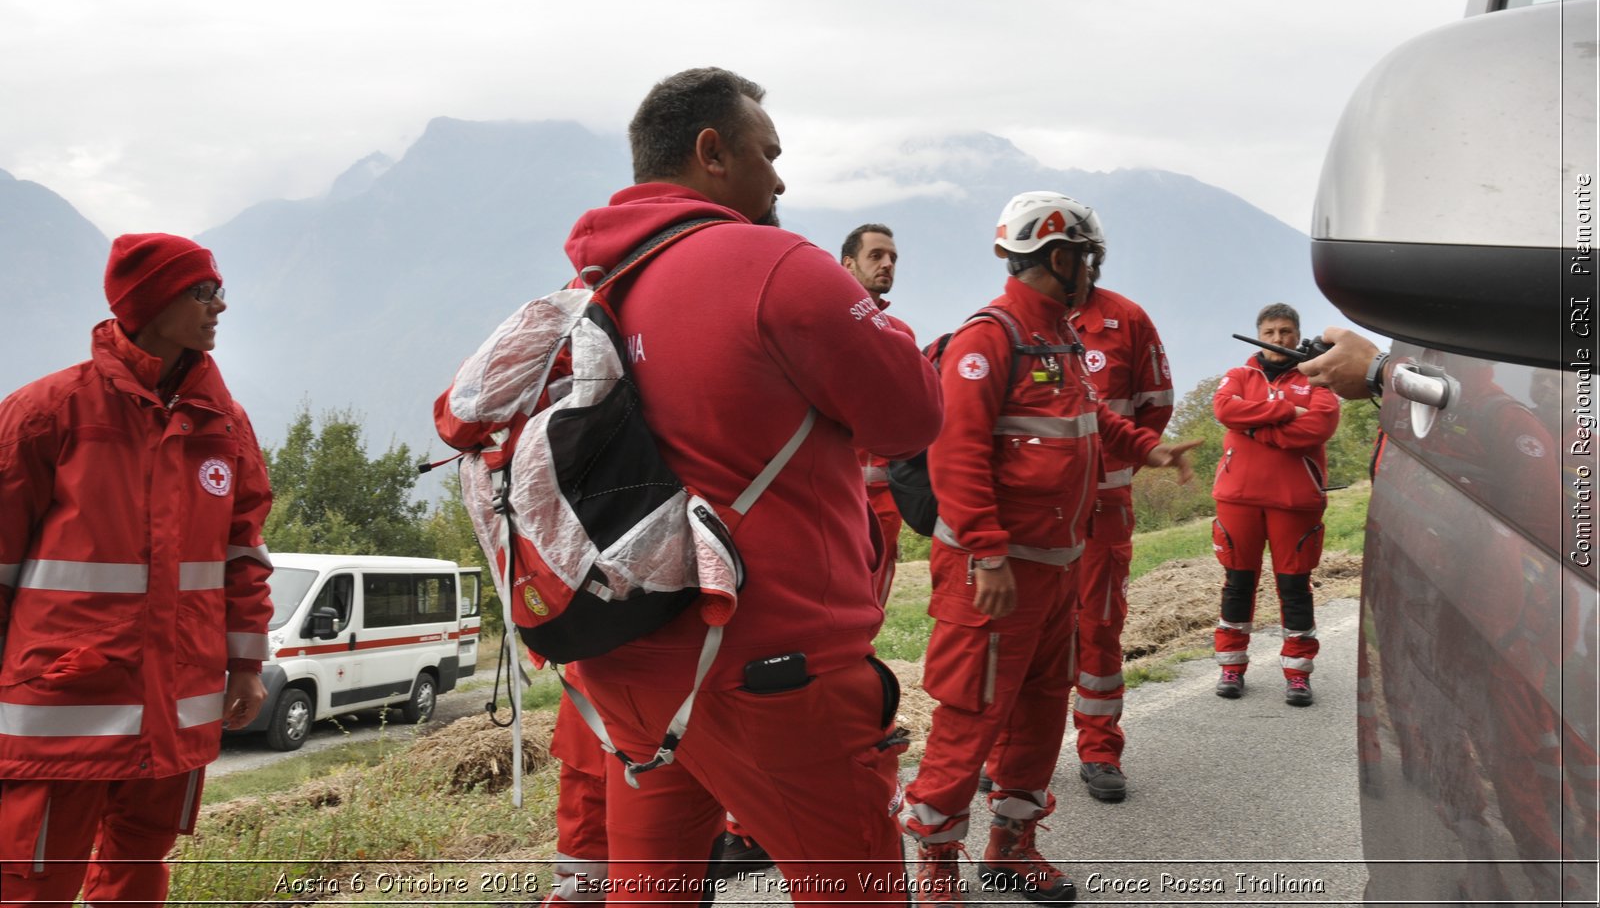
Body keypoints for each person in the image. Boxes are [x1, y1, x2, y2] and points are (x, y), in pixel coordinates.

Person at [442, 67, 943, 903]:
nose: (779, 179)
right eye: (767, 154)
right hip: (772, 668)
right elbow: (910, 419)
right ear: (712, 152)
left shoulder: (589, 286)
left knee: (653, 890)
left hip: (631, 664)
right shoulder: (775, 262)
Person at [900, 191, 1198, 906]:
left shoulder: (1058, 339)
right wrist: (988, 554)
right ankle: (937, 856)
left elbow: (1088, 419)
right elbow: (958, 455)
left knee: (1039, 710)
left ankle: (1012, 844)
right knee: (972, 712)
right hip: (996, 575)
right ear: (1059, 257)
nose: (1092, 270)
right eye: (1086, 258)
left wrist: (1148, 451)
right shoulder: (988, 340)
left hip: (1059, 567)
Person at [0, 233, 273, 906]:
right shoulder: (46, 413)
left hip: (176, 708)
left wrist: (245, 665)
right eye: (202, 292)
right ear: (150, 303)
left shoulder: (225, 425)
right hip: (64, 710)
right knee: (30, 883)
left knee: (139, 869)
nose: (221, 306)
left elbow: (244, 557)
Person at [1066, 229, 1173, 803]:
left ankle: (1100, 750)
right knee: (1029, 633)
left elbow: (1157, 404)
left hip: (1106, 509)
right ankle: (1009, 752)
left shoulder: (1128, 320)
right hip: (1039, 518)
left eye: (1080, 254)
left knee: (1100, 627)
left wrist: (1120, 467)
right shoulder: (1018, 324)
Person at [1210, 303, 1340, 706]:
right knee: (1238, 584)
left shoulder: (1317, 378)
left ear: (1297, 334)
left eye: (1285, 331)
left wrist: (1254, 430)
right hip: (1237, 498)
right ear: (1259, 335)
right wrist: (1284, 411)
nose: (1278, 339)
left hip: (1295, 501)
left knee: (1294, 588)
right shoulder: (1238, 375)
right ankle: (1231, 667)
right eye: (1269, 332)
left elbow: (1318, 426)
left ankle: (1298, 675)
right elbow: (1224, 409)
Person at [841, 223, 916, 603]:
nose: (887, 264)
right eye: (876, 256)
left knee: (873, 607)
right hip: (833, 494)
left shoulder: (900, 334)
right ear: (848, 264)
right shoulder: (825, 325)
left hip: (886, 501)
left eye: (893, 258)